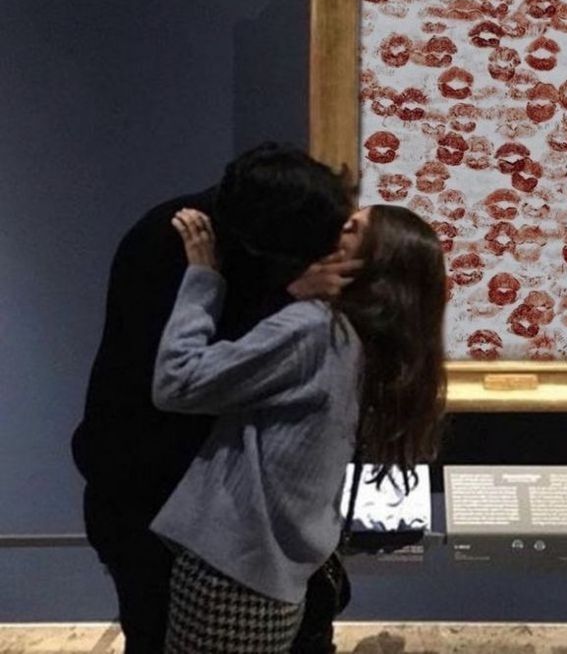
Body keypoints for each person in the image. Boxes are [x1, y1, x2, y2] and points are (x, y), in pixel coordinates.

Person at [71, 143, 360, 654]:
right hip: (156, 500)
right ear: (273, 244)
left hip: (225, 517)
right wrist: (287, 297)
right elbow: (178, 383)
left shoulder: (252, 234)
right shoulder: (174, 242)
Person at [150, 202, 447, 654]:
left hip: (233, 571)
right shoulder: (367, 345)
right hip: (275, 576)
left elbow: (178, 381)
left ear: (374, 260)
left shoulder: (318, 330)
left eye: (350, 230)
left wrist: (203, 280)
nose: (333, 234)